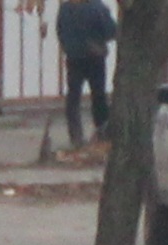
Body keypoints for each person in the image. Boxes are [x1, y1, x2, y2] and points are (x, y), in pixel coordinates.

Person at [56, 0, 117, 148]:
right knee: (98, 96)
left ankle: (76, 135)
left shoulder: (65, 9)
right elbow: (111, 31)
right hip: (95, 57)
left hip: (74, 57)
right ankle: (102, 131)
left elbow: (60, 31)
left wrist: (69, 47)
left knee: (73, 97)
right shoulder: (98, 8)